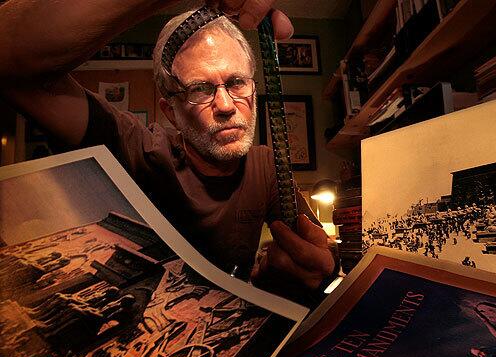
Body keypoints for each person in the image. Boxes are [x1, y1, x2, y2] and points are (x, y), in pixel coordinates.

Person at [0, 0, 337, 304]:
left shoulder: (266, 166)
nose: (225, 106)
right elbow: (9, 59)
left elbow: (316, 253)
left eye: (236, 83)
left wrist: (313, 266)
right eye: (200, 89)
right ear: (171, 110)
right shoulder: (135, 147)